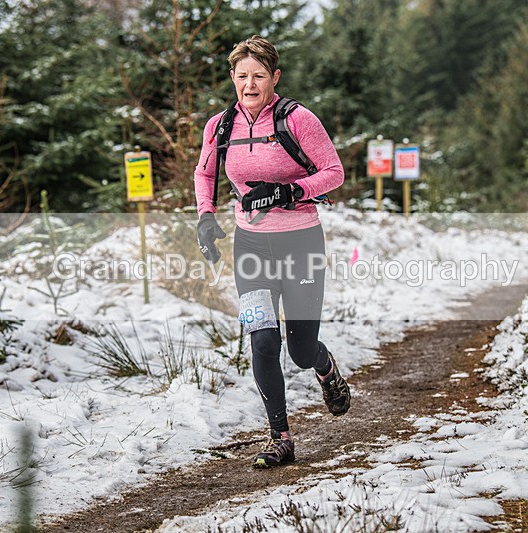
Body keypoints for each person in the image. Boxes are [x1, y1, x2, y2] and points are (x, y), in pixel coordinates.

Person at [193, 35, 351, 468]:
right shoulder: (219, 126)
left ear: (274, 77)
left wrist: (289, 190)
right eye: (241, 76)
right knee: (262, 340)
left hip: (300, 242)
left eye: (258, 76)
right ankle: (280, 437)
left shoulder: (298, 119)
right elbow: (204, 173)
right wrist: (206, 216)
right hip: (251, 246)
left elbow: (334, 173)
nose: (249, 84)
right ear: (232, 77)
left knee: (300, 351)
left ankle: (324, 367)